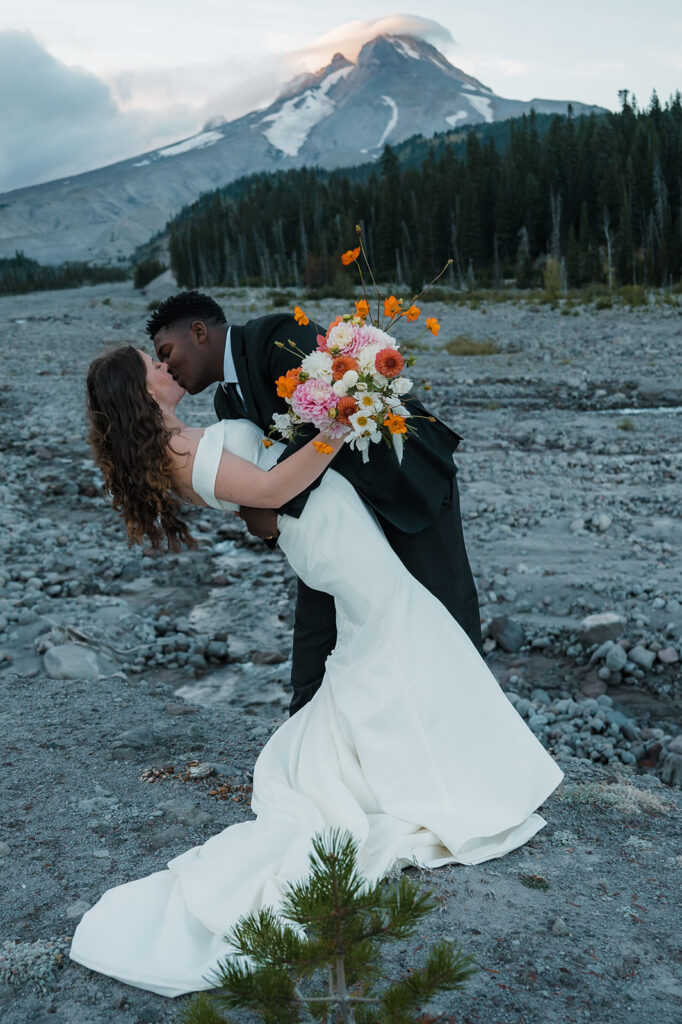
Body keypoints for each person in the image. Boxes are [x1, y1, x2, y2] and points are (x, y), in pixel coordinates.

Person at [69, 344, 564, 998]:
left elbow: (262, 488)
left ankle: (411, 761)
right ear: (138, 388)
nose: (165, 366)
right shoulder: (180, 455)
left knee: (386, 626)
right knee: (391, 618)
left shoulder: (187, 437)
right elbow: (271, 489)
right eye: (151, 364)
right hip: (324, 533)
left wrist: (316, 408)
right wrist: (338, 422)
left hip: (329, 519)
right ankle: (427, 772)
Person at [147, 291, 483, 715]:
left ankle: (475, 718)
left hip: (403, 482)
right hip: (331, 520)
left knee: (444, 605)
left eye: (166, 351)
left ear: (198, 332)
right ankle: (308, 730)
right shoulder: (226, 402)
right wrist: (264, 509)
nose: (167, 366)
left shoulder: (276, 337)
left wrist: (270, 504)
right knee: (315, 628)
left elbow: (334, 415)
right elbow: (263, 468)